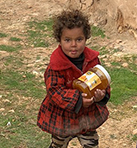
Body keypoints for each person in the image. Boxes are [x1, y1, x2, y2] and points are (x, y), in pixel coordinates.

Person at [37, 10, 110, 148]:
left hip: (86, 117)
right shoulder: (56, 64)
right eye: (67, 40)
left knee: (91, 144)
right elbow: (54, 91)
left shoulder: (92, 60)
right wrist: (78, 99)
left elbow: (102, 80)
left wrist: (101, 95)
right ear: (60, 40)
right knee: (58, 144)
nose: (74, 45)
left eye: (79, 39)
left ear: (86, 38)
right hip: (63, 117)